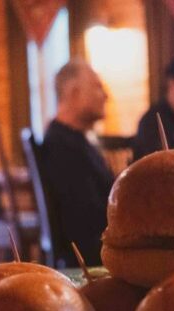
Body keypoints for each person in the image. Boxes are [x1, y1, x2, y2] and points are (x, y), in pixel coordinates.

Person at [39, 59, 113, 266]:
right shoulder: (63, 147)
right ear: (73, 93)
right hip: (92, 259)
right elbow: (84, 223)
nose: (106, 96)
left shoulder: (73, 141)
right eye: (98, 87)